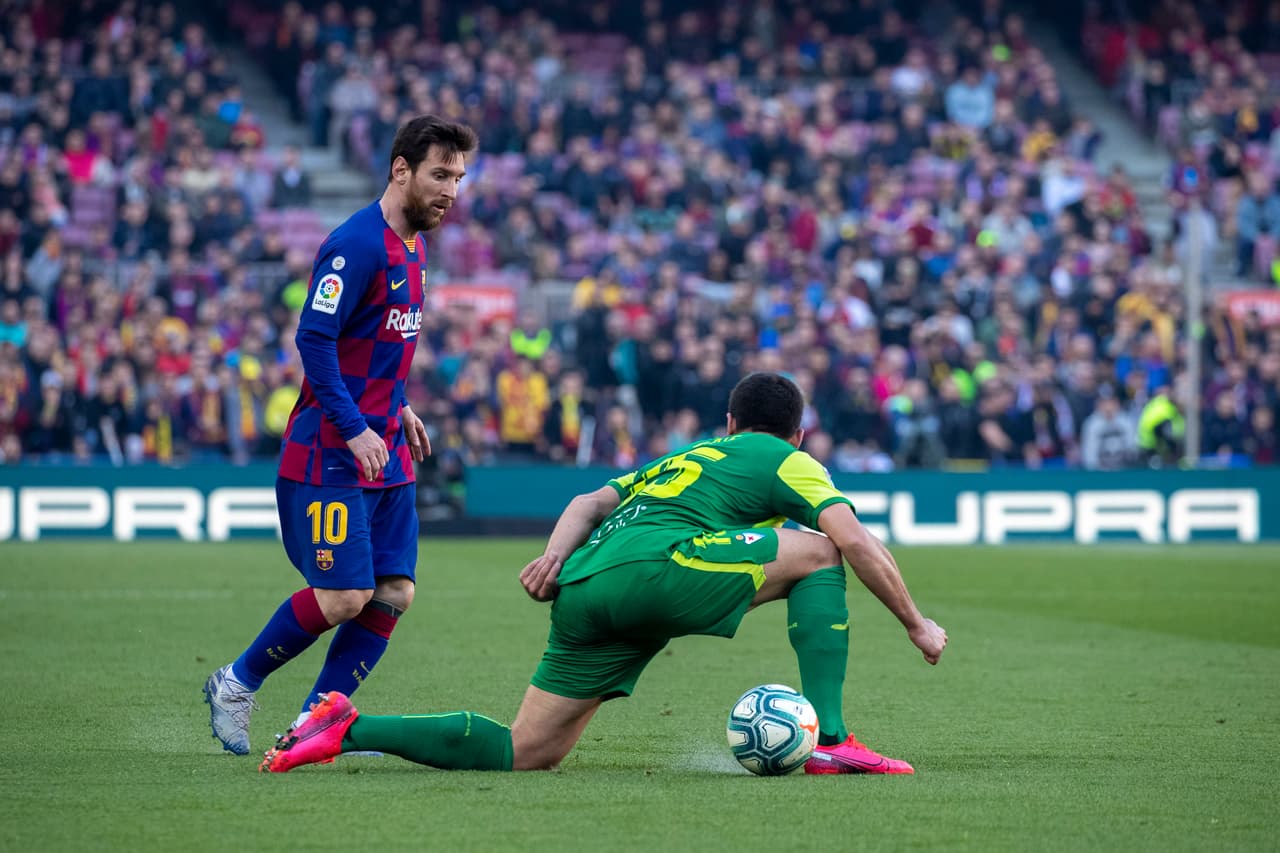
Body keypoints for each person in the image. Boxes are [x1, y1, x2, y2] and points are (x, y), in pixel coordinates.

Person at [260, 373, 949, 775]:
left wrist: (556, 556)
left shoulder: (687, 456)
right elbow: (854, 538)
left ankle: (345, 725)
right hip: (656, 569)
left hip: (586, 585)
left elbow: (589, 500)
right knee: (823, 550)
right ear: (795, 434)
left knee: (526, 751)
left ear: (728, 420)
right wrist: (916, 623)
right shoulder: (787, 458)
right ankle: (830, 739)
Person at [203, 115, 478, 755]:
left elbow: (376, 345)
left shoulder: (416, 244)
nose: (452, 191)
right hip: (331, 453)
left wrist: (399, 404)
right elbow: (315, 340)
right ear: (400, 169)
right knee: (345, 595)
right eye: (440, 174)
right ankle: (236, 683)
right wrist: (355, 427)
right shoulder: (355, 245)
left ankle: (312, 723)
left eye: (459, 178)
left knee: (393, 592)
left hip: (385, 448)